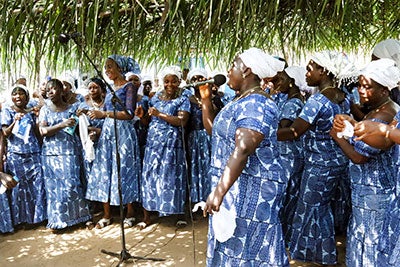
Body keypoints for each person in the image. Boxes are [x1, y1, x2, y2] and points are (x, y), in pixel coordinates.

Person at [201, 47, 288, 266]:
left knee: (249, 248)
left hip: (252, 189)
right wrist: (205, 101)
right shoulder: (241, 101)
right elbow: (216, 133)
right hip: (236, 185)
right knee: (232, 244)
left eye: (232, 65)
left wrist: (219, 192)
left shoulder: (256, 103)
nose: (228, 71)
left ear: (247, 70)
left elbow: (244, 148)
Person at [277, 50, 357, 265]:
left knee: (313, 209)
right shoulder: (343, 97)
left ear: (323, 71)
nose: (306, 74)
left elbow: (294, 131)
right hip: (339, 160)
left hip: (319, 164)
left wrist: (264, 133)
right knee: (324, 207)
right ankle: (324, 254)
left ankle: (323, 256)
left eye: (310, 69)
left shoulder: (317, 101)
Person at [332, 58, 400, 266]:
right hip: (367, 195)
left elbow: (362, 155)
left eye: (367, 86)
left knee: (372, 248)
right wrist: (353, 124)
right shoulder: (376, 111)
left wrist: (338, 137)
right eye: (360, 85)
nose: (361, 90)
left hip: (376, 194)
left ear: (384, 91)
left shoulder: (385, 115)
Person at [85, 55, 141, 229]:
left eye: (110, 67)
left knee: (124, 168)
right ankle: (107, 215)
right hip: (109, 131)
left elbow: (129, 114)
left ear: (120, 68)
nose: (107, 70)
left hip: (123, 131)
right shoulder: (109, 89)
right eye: (106, 67)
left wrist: (104, 114)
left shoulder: (129, 86)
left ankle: (130, 213)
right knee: (105, 169)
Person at [138, 66, 190, 229]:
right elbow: (148, 121)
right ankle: (147, 216)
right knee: (150, 175)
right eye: (166, 81)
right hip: (153, 143)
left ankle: (179, 214)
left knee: (173, 176)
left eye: (174, 81)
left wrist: (160, 114)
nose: (170, 84)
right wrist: (142, 117)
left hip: (172, 144)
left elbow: (182, 121)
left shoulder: (183, 98)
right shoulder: (154, 99)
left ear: (179, 82)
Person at [39, 79, 91, 231]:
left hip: (70, 151)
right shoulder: (45, 110)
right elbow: (43, 131)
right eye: (48, 89)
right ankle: (57, 221)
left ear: (62, 91)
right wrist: (62, 125)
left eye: (54, 89)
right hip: (50, 154)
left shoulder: (72, 108)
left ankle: (81, 216)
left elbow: (86, 113)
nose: (50, 91)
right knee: (54, 188)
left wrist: (82, 114)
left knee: (73, 184)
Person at [1, 85, 47, 228]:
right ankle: (21, 220)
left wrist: (37, 117)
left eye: (21, 94)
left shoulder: (31, 112)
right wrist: (15, 121)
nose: (18, 96)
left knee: (37, 185)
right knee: (18, 188)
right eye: (15, 94)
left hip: (33, 153)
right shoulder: (7, 112)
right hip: (16, 156)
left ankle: (38, 218)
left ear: (27, 97)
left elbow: (37, 132)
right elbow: (5, 133)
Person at [274, 66, 306, 245]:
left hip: (290, 156)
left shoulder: (293, 103)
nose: (278, 83)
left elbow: (284, 128)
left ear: (292, 82)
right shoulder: (290, 99)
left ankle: (286, 237)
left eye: (281, 80)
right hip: (288, 155)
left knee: (287, 195)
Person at [186, 68, 213, 206]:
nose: (197, 81)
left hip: (209, 137)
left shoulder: (214, 97)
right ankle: (197, 200)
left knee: (209, 167)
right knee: (196, 168)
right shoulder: (188, 100)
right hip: (194, 138)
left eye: (200, 78)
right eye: (194, 79)